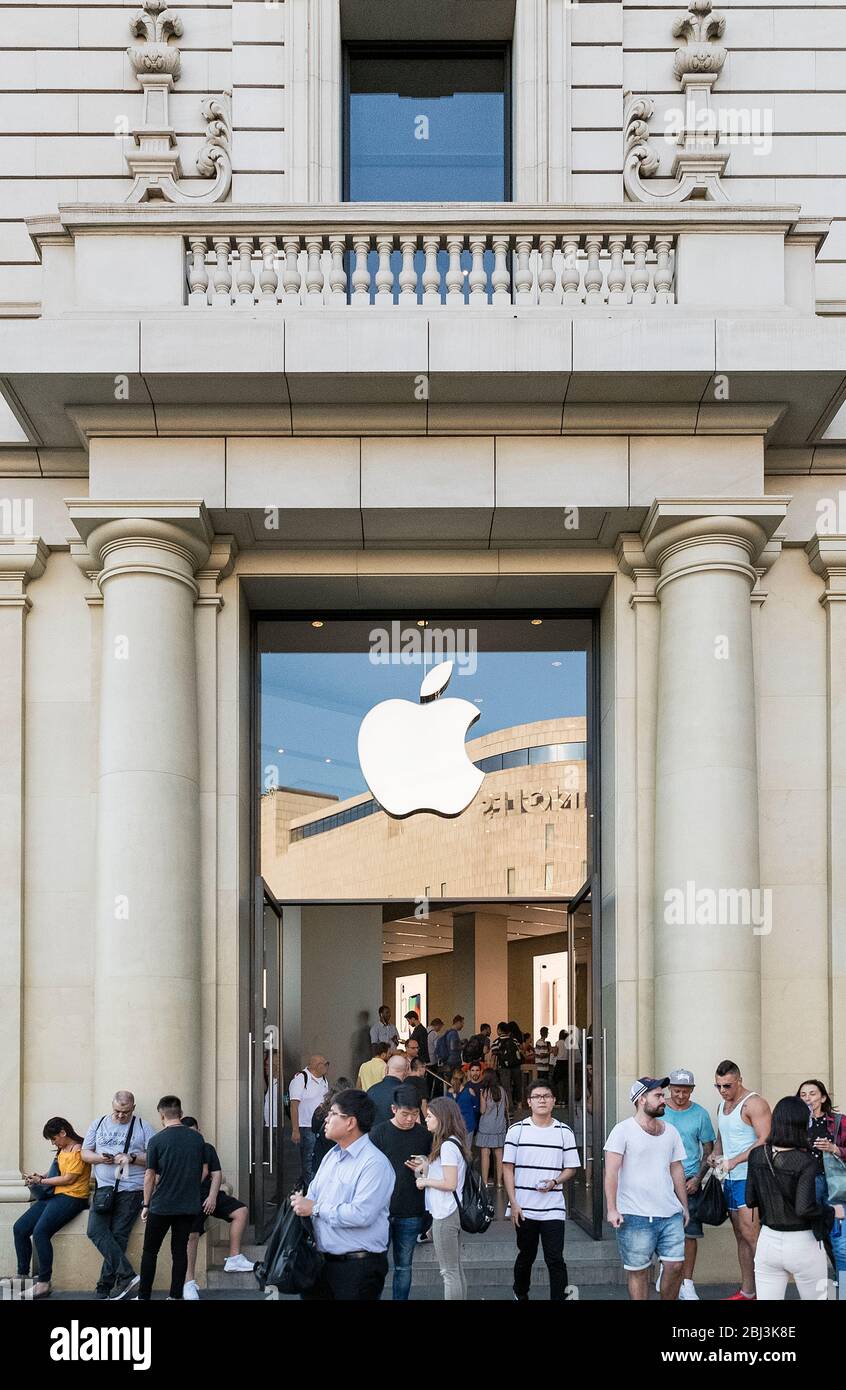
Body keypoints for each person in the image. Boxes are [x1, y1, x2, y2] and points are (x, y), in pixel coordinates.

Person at [290, 1088, 396, 1301]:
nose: (326, 1119)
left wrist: (315, 1208)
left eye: (332, 1114)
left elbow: (361, 1214)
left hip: (357, 1268)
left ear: (350, 1122)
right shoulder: (332, 1155)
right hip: (321, 1264)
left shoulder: (374, 1163)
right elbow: (313, 1196)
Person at [746, 1096, 845, 1300]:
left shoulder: (756, 1155)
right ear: (802, 1124)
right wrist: (831, 1211)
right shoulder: (805, 1161)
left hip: (768, 1241)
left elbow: (750, 1200)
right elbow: (804, 1208)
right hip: (803, 1243)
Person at [604, 1077, 689, 1301]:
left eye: (663, 1095)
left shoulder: (671, 1131)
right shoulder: (622, 1131)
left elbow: (677, 1169)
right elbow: (611, 1172)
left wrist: (684, 1207)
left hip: (669, 1213)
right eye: (658, 1096)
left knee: (675, 1266)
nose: (664, 1100)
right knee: (639, 1272)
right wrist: (612, 1209)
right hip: (635, 1215)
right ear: (642, 1099)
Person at [503, 1080, 580, 1301]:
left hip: (553, 1207)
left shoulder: (564, 1131)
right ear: (529, 1102)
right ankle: (520, 1292)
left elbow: (571, 1168)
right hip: (524, 1207)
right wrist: (513, 1203)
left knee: (555, 1258)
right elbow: (507, 1168)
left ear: (554, 1101)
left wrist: (555, 1181)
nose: (542, 1100)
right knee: (526, 1255)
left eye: (546, 1096)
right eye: (537, 1096)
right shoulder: (516, 1130)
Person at [81, 1089, 156, 1301]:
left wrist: (131, 1157)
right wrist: (99, 1158)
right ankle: (127, 1275)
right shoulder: (99, 1123)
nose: (120, 1116)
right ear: (111, 1106)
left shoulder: (143, 1126)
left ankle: (104, 1287)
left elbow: (155, 1157)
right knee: (95, 1231)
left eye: (125, 1112)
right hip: (104, 1188)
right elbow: (85, 1153)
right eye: (117, 1111)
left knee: (118, 1237)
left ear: (133, 1108)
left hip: (131, 1190)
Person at [708, 1059, 771, 1301]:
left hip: (750, 1178)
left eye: (728, 1085)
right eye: (719, 1086)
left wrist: (735, 1160)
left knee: (752, 1235)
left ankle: (769, 1292)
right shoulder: (722, 1106)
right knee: (740, 1235)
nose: (723, 1091)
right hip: (730, 1179)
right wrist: (716, 1154)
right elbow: (722, 1137)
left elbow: (765, 1139)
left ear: (739, 1080)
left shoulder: (754, 1103)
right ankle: (748, 1291)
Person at [137, 1095, 205, 1301]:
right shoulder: (197, 1139)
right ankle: (175, 1296)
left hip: (161, 1205)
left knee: (150, 1252)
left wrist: (146, 1203)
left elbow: (149, 1175)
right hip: (187, 1204)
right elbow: (199, 1169)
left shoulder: (157, 1140)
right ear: (181, 1114)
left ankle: (144, 1297)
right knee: (179, 1252)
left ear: (161, 1115)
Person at [15, 1118, 91, 1300]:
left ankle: (43, 1283)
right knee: (20, 1228)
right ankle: (23, 1276)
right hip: (55, 1196)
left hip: (73, 1197)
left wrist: (41, 1181)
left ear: (63, 1133)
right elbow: (56, 1172)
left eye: (54, 1138)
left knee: (41, 1232)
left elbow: (69, 1179)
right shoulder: (62, 1149)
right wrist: (40, 1176)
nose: (53, 1142)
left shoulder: (79, 1150)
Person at [370, 1084, 432, 1300]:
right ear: (393, 1109)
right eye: (405, 1114)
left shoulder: (425, 1135)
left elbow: (435, 1168)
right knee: (375, 1267)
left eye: (414, 1114)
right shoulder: (378, 1133)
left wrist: (425, 1167)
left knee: (404, 1267)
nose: (410, 1119)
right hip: (380, 1211)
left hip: (412, 1209)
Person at [180, 1117, 252, 1300]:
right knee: (192, 1235)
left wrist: (212, 1197)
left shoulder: (207, 1148)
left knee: (241, 1211)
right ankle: (188, 1283)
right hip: (190, 1198)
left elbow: (216, 1173)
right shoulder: (178, 1149)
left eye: (195, 1131)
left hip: (210, 1195)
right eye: (189, 1132)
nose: (193, 1136)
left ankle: (234, 1258)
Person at [407, 1096, 469, 1300]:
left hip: (446, 1212)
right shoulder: (453, 1142)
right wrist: (426, 1168)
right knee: (455, 1269)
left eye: (430, 1116)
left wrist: (425, 1182)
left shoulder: (448, 1147)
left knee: (449, 1272)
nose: (426, 1119)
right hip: (449, 1212)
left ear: (442, 1118)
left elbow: (449, 1183)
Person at [662, 1067, 716, 1301]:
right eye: (676, 1091)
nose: (680, 1096)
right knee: (661, 1230)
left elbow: (708, 1151)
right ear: (669, 1089)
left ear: (691, 1091)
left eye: (685, 1091)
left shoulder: (700, 1114)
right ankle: (667, 1274)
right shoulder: (659, 1110)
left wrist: (698, 1178)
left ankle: (686, 1282)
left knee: (690, 1234)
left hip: (690, 1181)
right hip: (661, 1181)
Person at [797, 1078, 846, 1289]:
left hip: (835, 1184)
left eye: (812, 1093)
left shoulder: (838, 1121)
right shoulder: (798, 1124)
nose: (808, 1098)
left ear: (823, 1097)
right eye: (803, 1095)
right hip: (808, 1185)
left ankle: (843, 1286)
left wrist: (834, 1149)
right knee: (819, 1235)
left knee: (840, 1239)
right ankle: (831, 1278)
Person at [289, 1055, 330, 1190]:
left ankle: (311, 1189)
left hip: (321, 1127)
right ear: (316, 1066)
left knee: (318, 1159)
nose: (327, 1066)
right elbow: (294, 1105)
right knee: (309, 1161)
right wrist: (295, 1130)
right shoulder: (301, 1079)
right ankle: (309, 1192)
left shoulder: (324, 1080)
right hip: (306, 1127)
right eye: (325, 1064)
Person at [310, 1078, 353, 1171]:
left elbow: (314, 1128)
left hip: (321, 1159)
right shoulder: (349, 1114)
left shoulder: (320, 1110)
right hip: (342, 1161)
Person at [477, 1067, 509, 1188]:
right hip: (499, 1125)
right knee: (499, 1155)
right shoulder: (502, 1090)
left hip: (486, 1126)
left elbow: (482, 1110)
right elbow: (506, 1108)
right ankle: (500, 1182)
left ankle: (485, 1182)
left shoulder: (484, 1092)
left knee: (485, 1154)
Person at [367, 1053, 409, 1125]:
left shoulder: (371, 1091)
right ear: (406, 1072)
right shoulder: (408, 1093)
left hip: (372, 1134)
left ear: (386, 1069)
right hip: (397, 1135)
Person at [491, 1022, 522, 1108]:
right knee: (518, 1084)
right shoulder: (514, 1040)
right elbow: (519, 1051)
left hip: (503, 1067)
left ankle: (509, 1105)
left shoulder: (496, 1042)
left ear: (499, 1030)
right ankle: (519, 1104)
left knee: (506, 1087)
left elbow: (493, 1056)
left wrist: (492, 1068)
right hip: (516, 1066)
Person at [456, 1061, 483, 1149]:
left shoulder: (485, 1085)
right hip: (469, 1123)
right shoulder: (465, 1086)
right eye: (472, 1070)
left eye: (477, 1070)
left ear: (481, 1071)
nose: (475, 1073)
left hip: (482, 1121)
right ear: (469, 1072)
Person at [551, 1030, 569, 1104]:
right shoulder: (568, 1043)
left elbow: (555, 1053)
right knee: (565, 1082)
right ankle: (565, 1099)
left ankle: (558, 1098)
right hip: (566, 1062)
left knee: (555, 1081)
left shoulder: (558, 1043)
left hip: (559, 1062)